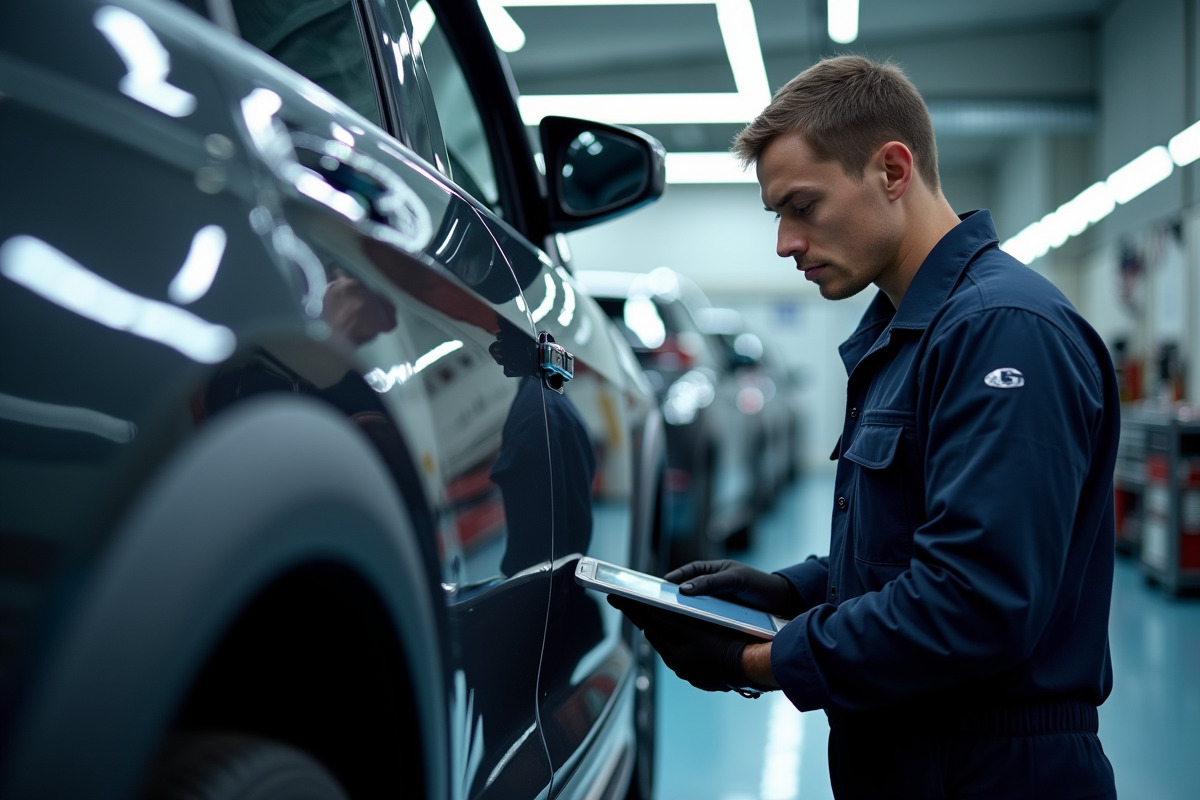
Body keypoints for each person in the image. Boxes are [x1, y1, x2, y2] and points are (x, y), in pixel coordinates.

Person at [609, 54, 1120, 798]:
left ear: (891, 170)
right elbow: (914, 545)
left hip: (993, 770)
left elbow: (975, 602)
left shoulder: (1003, 332)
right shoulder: (908, 335)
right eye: (777, 214)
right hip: (917, 757)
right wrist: (786, 588)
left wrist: (758, 660)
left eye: (803, 206)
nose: (785, 242)